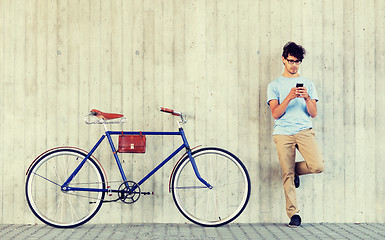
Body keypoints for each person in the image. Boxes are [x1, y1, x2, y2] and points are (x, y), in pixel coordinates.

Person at [267, 42, 324, 227]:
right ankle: (294, 215)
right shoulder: (274, 85)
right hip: (283, 133)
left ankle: (292, 170)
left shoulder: (309, 84)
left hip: (304, 131)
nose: (294, 65)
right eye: (291, 61)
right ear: (284, 59)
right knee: (287, 176)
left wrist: (307, 97)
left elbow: (313, 113)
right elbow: (275, 113)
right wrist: (289, 97)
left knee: (317, 166)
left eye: (297, 62)